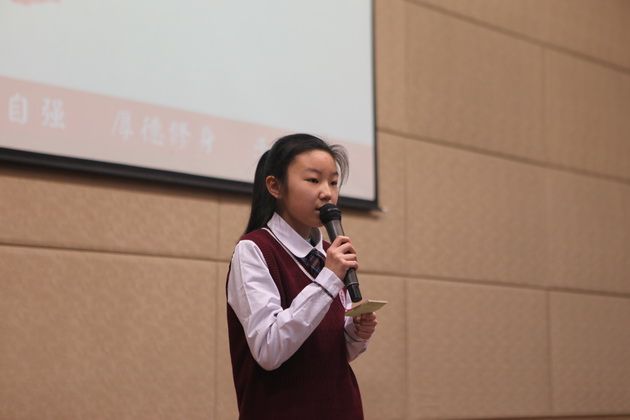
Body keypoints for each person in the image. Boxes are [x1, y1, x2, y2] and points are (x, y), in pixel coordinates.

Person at [226, 133, 378, 420]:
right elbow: (269, 349)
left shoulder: (329, 254)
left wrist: (356, 333)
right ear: (275, 186)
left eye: (333, 182)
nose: (327, 193)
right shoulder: (255, 249)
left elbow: (332, 353)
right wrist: (328, 279)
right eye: (313, 180)